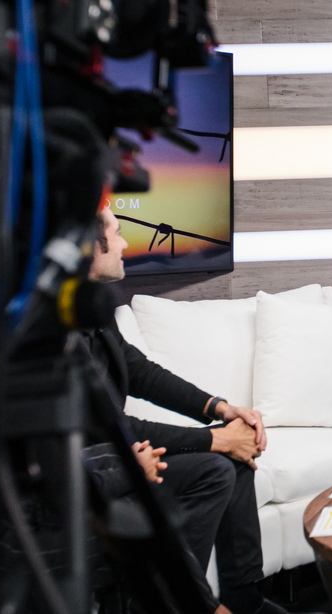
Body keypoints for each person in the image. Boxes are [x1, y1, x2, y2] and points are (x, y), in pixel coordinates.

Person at [84, 205, 284, 614]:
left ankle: (244, 598)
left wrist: (220, 408)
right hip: (95, 468)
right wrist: (215, 439)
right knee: (215, 468)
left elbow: (140, 372)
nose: (124, 243)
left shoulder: (92, 312)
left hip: (120, 451)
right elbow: (105, 425)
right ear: (89, 247)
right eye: (117, 233)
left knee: (237, 458)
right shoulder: (57, 329)